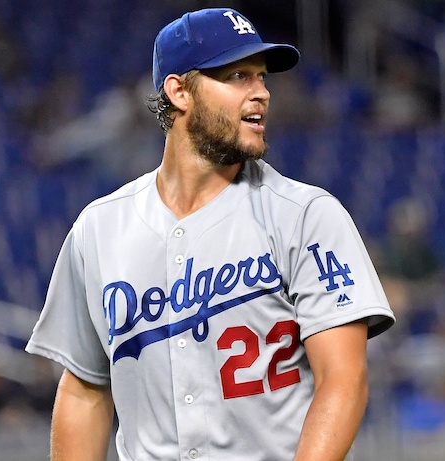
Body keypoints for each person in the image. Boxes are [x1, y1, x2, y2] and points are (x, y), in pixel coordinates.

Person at [26, 7, 395, 461]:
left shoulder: (306, 216)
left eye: (262, 77)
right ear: (179, 91)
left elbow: (344, 381)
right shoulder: (99, 229)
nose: (261, 93)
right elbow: (84, 389)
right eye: (238, 75)